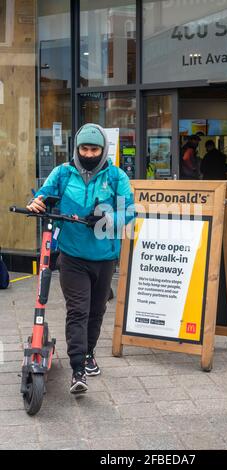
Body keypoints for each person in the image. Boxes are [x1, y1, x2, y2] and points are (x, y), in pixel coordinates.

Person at [26, 123, 134, 394]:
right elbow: (43, 197)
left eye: (93, 149)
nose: (88, 154)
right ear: (76, 149)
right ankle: (78, 369)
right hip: (72, 255)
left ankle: (89, 353)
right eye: (83, 149)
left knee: (96, 312)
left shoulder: (117, 177)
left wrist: (108, 218)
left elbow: (130, 212)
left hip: (105, 256)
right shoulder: (62, 174)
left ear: (103, 149)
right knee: (78, 310)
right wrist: (38, 203)